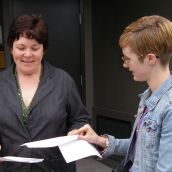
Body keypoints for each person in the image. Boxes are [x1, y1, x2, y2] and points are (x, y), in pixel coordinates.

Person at [71, 15, 172, 172]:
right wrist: (98, 140)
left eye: (127, 58)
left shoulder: (169, 108)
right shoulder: (148, 96)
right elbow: (140, 149)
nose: (124, 64)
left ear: (150, 58)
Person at [0, 14, 91, 172]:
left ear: (43, 49)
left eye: (35, 48)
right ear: (11, 48)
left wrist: (75, 133)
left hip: (55, 166)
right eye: (21, 48)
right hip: (11, 167)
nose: (27, 54)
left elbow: (81, 119)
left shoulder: (63, 80)